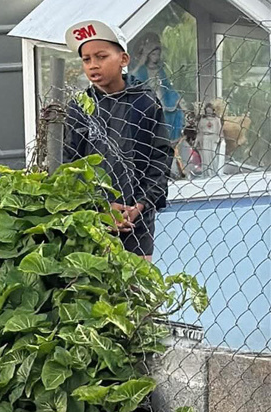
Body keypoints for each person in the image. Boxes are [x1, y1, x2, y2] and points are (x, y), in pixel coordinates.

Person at [63, 20, 172, 260]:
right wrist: (101, 207)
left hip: (138, 222)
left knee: (137, 288)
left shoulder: (145, 103)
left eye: (101, 56)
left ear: (123, 59)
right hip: (92, 219)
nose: (93, 65)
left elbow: (160, 159)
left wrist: (141, 205)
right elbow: (71, 166)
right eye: (86, 59)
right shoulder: (79, 108)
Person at [131, 31, 184, 143]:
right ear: (148, 55)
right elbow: (133, 78)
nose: (156, 57)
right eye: (153, 54)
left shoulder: (160, 69)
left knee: (174, 111)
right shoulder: (142, 70)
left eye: (158, 54)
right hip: (148, 97)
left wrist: (175, 96)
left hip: (162, 96)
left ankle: (169, 137)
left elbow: (167, 85)